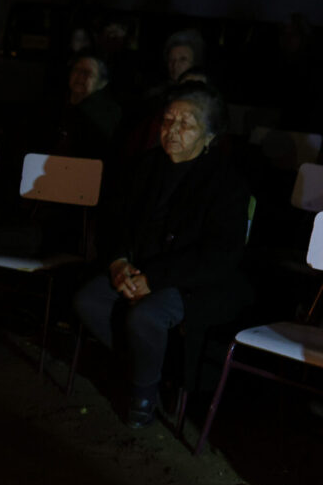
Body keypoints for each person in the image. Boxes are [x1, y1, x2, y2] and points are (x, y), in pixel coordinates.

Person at [73, 82, 250, 427]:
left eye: (187, 124)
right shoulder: (143, 167)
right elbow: (113, 221)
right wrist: (118, 263)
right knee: (88, 301)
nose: (173, 131)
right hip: (136, 268)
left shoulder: (227, 182)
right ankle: (148, 366)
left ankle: (143, 389)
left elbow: (220, 253)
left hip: (189, 282)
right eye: (168, 121)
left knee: (145, 317)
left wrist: (154, 279)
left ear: (209, 136)